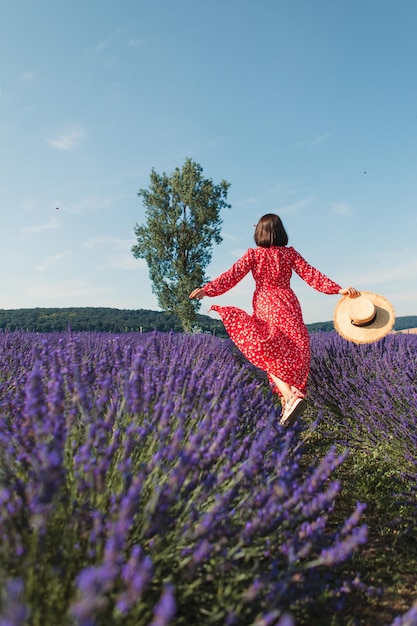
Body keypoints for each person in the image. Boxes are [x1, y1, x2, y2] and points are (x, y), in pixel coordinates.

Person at [189, 213, 360, 427]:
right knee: (294, 349)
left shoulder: (253, 254)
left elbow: (231, 276)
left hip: (266, 303)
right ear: (280, 232)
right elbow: (311, 275)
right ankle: (289, 401)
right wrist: (338, 289)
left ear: (259, 232)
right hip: (288, 303)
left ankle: (289, 398)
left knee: (269, 352)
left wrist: (207, 290)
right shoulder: (289, 254)